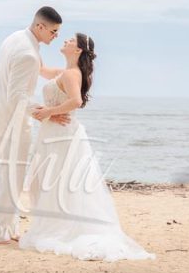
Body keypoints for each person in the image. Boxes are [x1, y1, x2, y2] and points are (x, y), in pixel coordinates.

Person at [18, 33, 156, 261]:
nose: (65, 40)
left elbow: (76, 101)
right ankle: (53, 223)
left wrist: (47, 112)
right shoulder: (63, 72)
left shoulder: (73, 74)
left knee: (58, 180)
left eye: (71, 40)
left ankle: (60, 228)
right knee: (47, 180)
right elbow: (41, 70)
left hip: (62, 134)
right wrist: (34, 41)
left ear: (79, 50)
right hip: (52, 132)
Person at [0, 6, 71, 245]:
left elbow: (41, 71)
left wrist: (74, 71)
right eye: (53, 31)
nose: (55, 36)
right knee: (12, 178)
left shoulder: (17, 38)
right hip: (11, 122)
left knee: (11, 176)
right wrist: (49, 113)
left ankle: (8, 228)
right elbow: (17, 96)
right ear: (40, 26)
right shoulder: (27, 53)